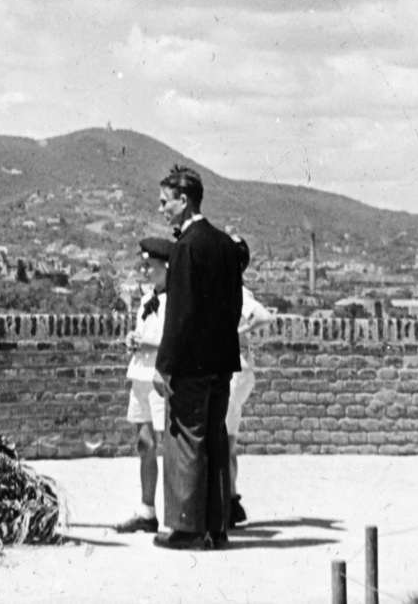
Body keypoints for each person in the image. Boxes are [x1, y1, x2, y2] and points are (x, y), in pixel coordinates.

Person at [152, 165, 249, 550]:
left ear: (184, 200)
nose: (162, 209)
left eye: (165, 202)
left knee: (185, 441)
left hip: (190, 367)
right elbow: (235, 307)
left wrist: (165, 365)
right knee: (215, 441)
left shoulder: (185, 248)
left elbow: (180, 315)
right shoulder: (227, 246)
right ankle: (216, 527)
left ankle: (186, 528)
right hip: (222, 364)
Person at [112, 237, 172, 534]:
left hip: (162, 379)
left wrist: (145, 342)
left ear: (167, 266)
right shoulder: (147, 300)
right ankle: (147, 512)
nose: (144, 271)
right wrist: (132, 340)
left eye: (150, 266)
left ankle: (178, 515)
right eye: (143, 265)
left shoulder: (177, 299)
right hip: (140, 375)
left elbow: (176, 341)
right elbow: (143, 333)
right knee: (145, 443)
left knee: (172, 446)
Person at [226, 279, 272, 527]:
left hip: (235, 371)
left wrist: (233, 333)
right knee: (227, 441)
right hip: (238, 369)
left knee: (224, 441)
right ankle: (230, 499)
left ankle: (229, 503)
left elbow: (263, 317)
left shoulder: (237, 291)